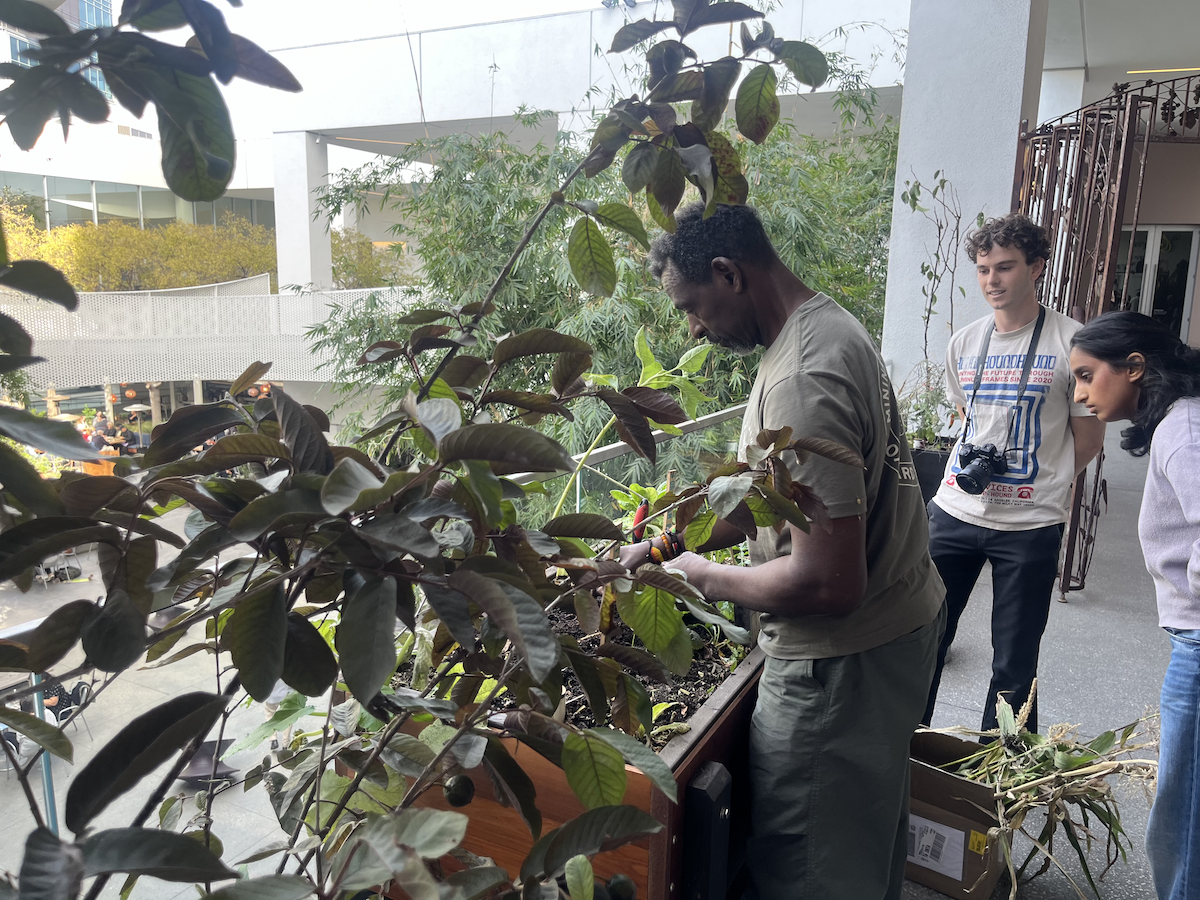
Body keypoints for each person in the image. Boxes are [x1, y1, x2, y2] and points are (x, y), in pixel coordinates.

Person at [622, 203, 945, 900]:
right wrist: (670, 538)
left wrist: (701, 576)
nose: (693, 327)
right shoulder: (825, 327)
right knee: (859, 847)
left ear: (727, 273)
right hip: (894, 632)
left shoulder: (803, 376)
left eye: (693, 306)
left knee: (813, 873)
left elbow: (829, 582)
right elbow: (774, 500)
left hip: (839, 670)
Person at [922, 213, 1106, 735]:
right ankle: (904, 752)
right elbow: (968, 419)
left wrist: (1042, 488)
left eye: (1004, 267)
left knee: (1014, 662)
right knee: (923, 638)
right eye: (983, 270)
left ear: (1036, 268)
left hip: (1029, 524)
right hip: (955, 509)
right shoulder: (965, 342)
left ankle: (999, 779)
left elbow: (1088, 439)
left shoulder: (1073, 343)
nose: (992, 281)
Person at [1069, 311, 1200, 900]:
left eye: (1086, 375)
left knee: (1184, 817)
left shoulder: (1185, 432)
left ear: (1135, 367)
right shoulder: (1180, 423)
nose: (1079, 393)